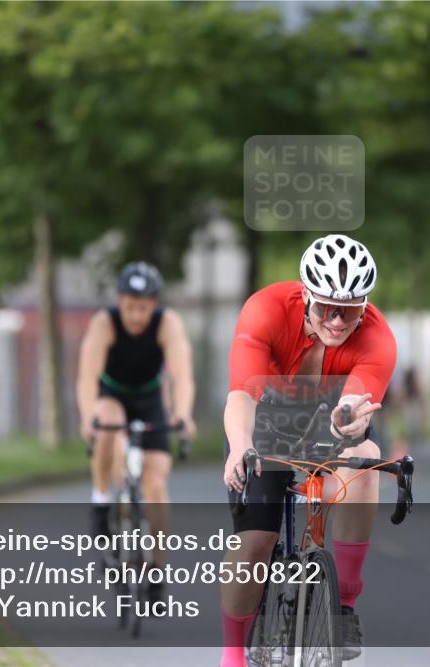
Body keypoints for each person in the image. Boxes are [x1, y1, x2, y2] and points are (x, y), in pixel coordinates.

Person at [220, 234, 396, 667]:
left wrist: (347, 418)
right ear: (305, 297)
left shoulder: (377, 337)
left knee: (366, 459)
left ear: (365, 306)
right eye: (325, 308)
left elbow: (354, 404)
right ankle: (232, 655)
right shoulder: (265, 310)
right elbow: (241, 395)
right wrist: (240, 445)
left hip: (328, 419)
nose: (337, 321)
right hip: (265, 422)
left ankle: (344, 605)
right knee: (256, 542)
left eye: (350, 310)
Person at [75, 261, 197, 600]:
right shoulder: (105, 323)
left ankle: (156, 569)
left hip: (149, 399)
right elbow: (87, 377)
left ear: (154, 305)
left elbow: (182, 376)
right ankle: (101, 505)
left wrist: (183, 414)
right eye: (129, 306)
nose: (136, 316)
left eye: (143, 308)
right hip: (112, 394)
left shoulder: (167, 324)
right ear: (119, 301)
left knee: (155, 484)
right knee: (106, 420)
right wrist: (87, 417)